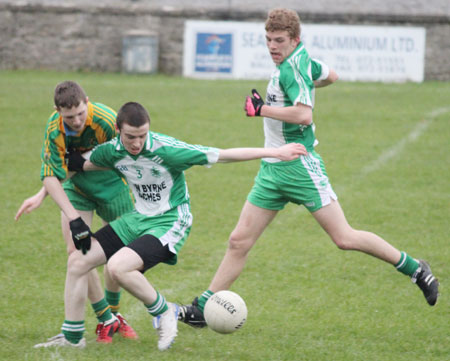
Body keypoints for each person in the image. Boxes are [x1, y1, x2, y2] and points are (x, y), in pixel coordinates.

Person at [178, 8, 439, 328]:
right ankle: (203, 307)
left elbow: (303, 116)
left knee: (344, 237)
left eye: (279, 41)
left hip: (299, 166)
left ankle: (415, 269)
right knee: (239, 241)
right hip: (273, 167)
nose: (272, 47)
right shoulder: (299, 60)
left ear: (294, 39)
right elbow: (331, 76)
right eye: (268, 40)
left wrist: (262, 109)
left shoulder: (292, 69)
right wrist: (302, 85)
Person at [33, 101, 307, 350]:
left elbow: (223, 154)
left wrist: (276, 152)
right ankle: (73, 338)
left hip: (170, 220)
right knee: (77, 261)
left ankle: (164, 312)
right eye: (130, 137)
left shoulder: (168, 150)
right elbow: (75, 165)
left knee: (117, 267)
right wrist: (43, 190)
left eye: (142, 136)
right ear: (118, 131)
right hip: (137, 219)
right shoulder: (111, 151)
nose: (137, 143)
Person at [15, 81, 138, 345]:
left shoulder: (106, 120)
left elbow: (126, 156)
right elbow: (52, 173)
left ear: (87, 102)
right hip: (77, 190)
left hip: (113, 188)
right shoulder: (54, 127)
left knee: (119, 258)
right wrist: (72, 218)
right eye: (69, 117)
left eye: (81, 113)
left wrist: (82, 162)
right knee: (79, 255)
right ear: (57, 111)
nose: (77, 121)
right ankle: (103, 321)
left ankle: (115, 314)